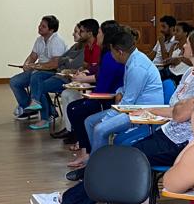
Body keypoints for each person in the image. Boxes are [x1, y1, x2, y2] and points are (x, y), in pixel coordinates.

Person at [32, 30, 194, 204]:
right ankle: (65, 202)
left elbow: (179, 112)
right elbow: (177, 107)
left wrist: (182, 107)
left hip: (178, 143)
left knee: (123, 162)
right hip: (168, 135)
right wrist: (181, 107)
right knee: (117, 157)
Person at [69, 29, 163, 169]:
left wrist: (106, 119)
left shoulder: (137, 67)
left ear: (120, 52)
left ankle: (96, 169)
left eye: (112, 52)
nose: (111, 56)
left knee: (100, 128)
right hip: (132, 108)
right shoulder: (132, 60)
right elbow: (126, 88)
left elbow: (127, 103)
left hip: (142, 112)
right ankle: (94, 161)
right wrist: (119, 92)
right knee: (89, 121)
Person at [26, 19, 100, 131]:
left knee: (38, 86)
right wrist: (67, 61)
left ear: (89, 33)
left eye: (79, 31)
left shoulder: (92, 47)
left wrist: (68, 62)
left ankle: (46, 115)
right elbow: (62, 59)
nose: (75, 34)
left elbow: (75, 64)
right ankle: (45, 110)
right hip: (62, 74)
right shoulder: (77, 46)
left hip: (70, 79)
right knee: (35, 77)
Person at [62, 22, 127, 150]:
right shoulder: (106, 54)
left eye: (100, 33)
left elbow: (104, 85)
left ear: (106, 36)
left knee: (76, 110)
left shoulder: (110, 56)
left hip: (109, 99)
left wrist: (90, 94)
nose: (97, 36)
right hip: (104, 95)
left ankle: (86, 147)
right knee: (74, 107)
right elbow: (96, 70)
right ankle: (83, 144)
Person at [9, 16, 66, 120]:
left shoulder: (57, 41)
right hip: (39, 70)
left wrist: (37, 66)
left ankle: (48, 111)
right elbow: (32, 56)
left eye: (43, 26)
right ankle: (30, 109)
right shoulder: (39, 40)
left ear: (51, 30)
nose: (39, 27)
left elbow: (55, 64)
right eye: (40, 24)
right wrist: (27, 64)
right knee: (14, 82)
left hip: (53, 72)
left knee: (36, 78)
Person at [150, 15, 178, 80]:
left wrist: (162, 44)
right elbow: (151, 56)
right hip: (152, 67)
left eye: (164, 27)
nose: (161, 30)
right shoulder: (161, 39)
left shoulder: (175, 43)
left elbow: (166, 60)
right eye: (161, 27)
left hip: (160, 70)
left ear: (172, 28)